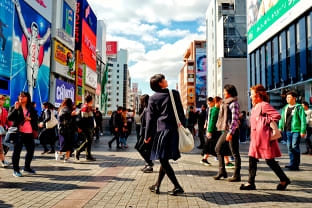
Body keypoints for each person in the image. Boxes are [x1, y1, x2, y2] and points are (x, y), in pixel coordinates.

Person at [240, 84, 290, 190]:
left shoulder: (264, 105)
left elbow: (277, 116)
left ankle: (284, 179)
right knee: (252, 159)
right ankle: (250, 183)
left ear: (258, 95)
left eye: (252, 94)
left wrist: (262, 121)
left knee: (269, 160)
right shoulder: (255, 107)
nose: (250, 96)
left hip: (263, 138)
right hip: (255, 138)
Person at [145, 74, 185, 195]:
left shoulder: (153, 98)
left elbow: (150, 119)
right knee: (164, 159)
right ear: (160, 84)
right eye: (164, 80)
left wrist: (147, 136)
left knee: (163, 160)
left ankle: (177, 187)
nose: (166, 80)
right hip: (173, 131)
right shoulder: (174, 93)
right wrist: (184, 127)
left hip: (161, 131)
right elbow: (181, 113)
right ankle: (157, 185)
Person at [14, 0, 51, 99]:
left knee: (33, 79)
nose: (34, 31)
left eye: (36, 30)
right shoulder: (29, 37)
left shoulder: (39, 41)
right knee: (30, 83)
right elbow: (22, 25)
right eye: (33, 29)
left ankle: (34, 79)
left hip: (36, 63)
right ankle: (30, 98)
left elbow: (45, 38)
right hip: (30, 61)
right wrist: (18, 10)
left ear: (37, 31)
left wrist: (49, 31)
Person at [214, 84, 241, 182]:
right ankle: (222, 171)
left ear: (229, 93)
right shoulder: (225, 103)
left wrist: (230, 132)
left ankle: (237, 176)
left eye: (224, 92)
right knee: (218, 148)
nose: (223, 93)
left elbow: (235, 120)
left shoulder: (234, 103)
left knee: (235, 153)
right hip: (226, 130)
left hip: (232, 130)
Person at [8, 91, 38, 177]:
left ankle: (27, 167)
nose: (21, 98)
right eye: (20, 96)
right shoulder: (14, 107)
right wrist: (16, 109)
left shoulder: (31, 108)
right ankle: (16, 170)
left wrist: (30, 118)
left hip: (29, 133)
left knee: (31, 151)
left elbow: (36, 118)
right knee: (17, 152)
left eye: (23, 96)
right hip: (19, 132)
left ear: (27, 98)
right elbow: (9, 118)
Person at [278, 91, 306, 171]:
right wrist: (280, 127)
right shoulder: (285, 107)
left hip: (296, 130)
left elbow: (303, 120)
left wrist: (303, 130)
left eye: (289, 97)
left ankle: (296, 164)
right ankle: (292, 163)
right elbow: (281, 119)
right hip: (287, 130)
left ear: (294, 98)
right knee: (289, 147)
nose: (287, 99)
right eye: (287, 98)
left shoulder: (299, 107)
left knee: (294, 146)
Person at [135, 94, 154, 173]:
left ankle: (149, 163)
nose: (140, 102)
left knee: (140, 148)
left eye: (141, 100)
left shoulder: (148, 109)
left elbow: (149, 123)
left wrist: (147, 136)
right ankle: (148, 163)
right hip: (143, 133)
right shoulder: (145, 109)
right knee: (142, 148)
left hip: (146, 134)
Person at [74, 95, 96, 161]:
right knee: (88, 141)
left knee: (89, 141)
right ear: (91, 100)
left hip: (90, 127)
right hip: (86, 127)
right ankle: (78, 151)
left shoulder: (89, 107)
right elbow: (83, 119)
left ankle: (88, 155)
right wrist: (81, 127)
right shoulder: (85, 107)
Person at [56, 98, 76, 162]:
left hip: (62, 129)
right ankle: (62, 155)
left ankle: (65, 157)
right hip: (68, 129)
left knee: (65, 144)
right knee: (68, 144)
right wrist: (72, 115)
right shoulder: (68, 110)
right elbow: (69, 119)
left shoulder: (61, 109)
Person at [0, 95, 11, 167]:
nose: (3, 101)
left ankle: (3, 161)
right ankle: (3, 161)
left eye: (4, 100)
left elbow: (7, 120)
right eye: (2, 100)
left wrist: (10, 127)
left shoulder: (4, 110)